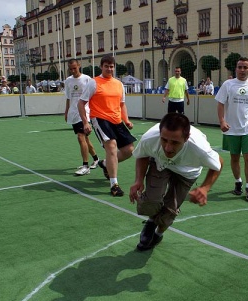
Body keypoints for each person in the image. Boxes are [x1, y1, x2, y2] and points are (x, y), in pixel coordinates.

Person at [129, 113, 223, 251]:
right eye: (164, 140)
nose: (168, 147)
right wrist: (138, 179)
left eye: (174, 142)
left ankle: (158, 233)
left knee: (170, 210)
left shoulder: (199, 148)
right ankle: (151, 221)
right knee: (151, 201)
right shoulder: (150, 138)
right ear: (160, 133)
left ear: (186, 138)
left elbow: (219, 164)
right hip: (160, 163)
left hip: (188, 172)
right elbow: (142, 155)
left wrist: (204, 188)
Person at [78, 55, 136, 197]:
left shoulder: (119, 84)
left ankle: (105, 164)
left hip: (117, 120)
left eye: (111, 66)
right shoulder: (94, 83)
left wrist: (126, 120)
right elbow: (81, 103)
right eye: (106, 66)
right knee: (111, 146)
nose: (109, 69)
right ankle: (114, 185)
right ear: (101, 67)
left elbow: (122, 105)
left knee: (129, 150)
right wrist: (85, 122)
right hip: (100, 119)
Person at [216, 57, 248, 202]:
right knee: (234, 158)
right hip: (231, 128)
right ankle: (238, 182)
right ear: (235, 69)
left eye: (245, 67)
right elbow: (221, 103)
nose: (242, 70)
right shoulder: (228, 85)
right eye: (239, 67)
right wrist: (222, 121)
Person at [64, 58, 101, 176]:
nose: (73, 71)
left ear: (79, 66)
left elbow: (93, 96)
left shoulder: (87, 79)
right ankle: (96, 159)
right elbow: (68, 98)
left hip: (85, 112)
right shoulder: (68, 81)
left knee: (81, 137)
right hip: (74, 113)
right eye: (70, 69)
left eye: (74, 68)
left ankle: (85, 166)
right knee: (85, 139)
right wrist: (66, 111)